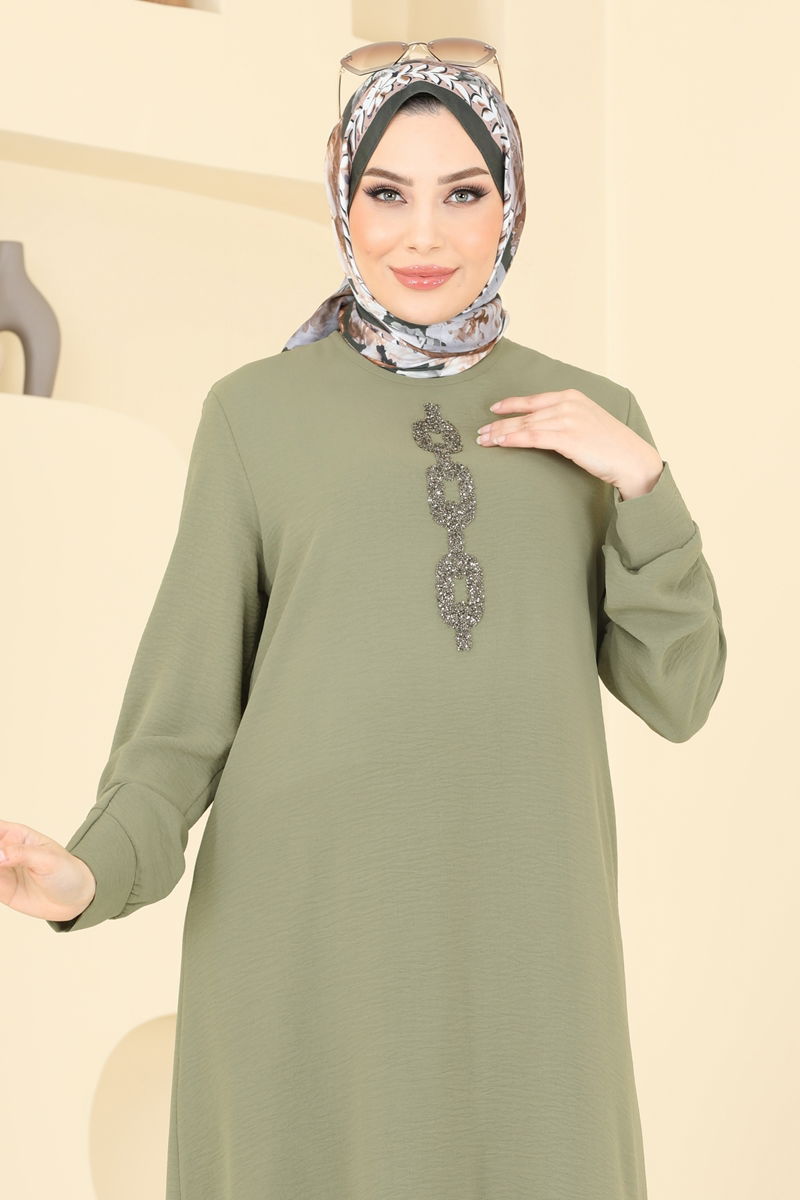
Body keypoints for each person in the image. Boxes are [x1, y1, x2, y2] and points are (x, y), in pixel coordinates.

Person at [0, 48, 726, 1200]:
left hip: (525, 952)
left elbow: (677, 694)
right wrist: (89, 871)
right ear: (342, 201)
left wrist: (642, 482)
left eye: (462, 192)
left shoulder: (589, 418)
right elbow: (178, 729)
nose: (421, 235)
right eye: (386, 192)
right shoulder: (252, 414)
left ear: (509, 204)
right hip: (303, 947)